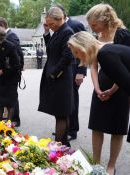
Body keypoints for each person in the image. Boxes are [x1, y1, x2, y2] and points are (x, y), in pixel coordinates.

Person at [77, 4, 130, 174]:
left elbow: (126, 70)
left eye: (94, 25)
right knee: (97, 125)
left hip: (121, 87)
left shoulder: (123, 34)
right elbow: (93, 65)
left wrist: (113, 90)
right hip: (101, 85)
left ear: (105, 19)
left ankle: (111, 166)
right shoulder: (98, 35)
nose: (93, 29)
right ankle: (96, 163)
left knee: (117, 128)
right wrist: (97, 88)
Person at [38, 7, 74, 147]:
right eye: (48, 24)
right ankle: (63, 144)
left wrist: (54, 74)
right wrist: (47, 32)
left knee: (61, 112)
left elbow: (67, 57)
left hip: (61, 78)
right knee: (60, 112)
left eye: (51, 24)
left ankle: (59, 145)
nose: (50, 26)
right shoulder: (58, 31)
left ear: (60, 19)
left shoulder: (67, 32)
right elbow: (51, 49)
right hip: (56, 77)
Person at [54, 4, 87, 141]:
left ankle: (72, 130)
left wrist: (81, 71)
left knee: (72, 100)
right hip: (63, 70)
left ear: (62, 14)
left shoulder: (76, 25)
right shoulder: (57, 28)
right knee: (63, 101)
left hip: (74, 69)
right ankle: (63, 128)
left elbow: (85, 47)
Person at [0, 17, 24, 127]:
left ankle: (15, 119)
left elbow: (19, 55)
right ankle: (6, 118)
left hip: (11, 73)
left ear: (2, 26)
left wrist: (18, 68)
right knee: (3, 96)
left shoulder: (12, 36)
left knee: (12, 97)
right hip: (2, 73)